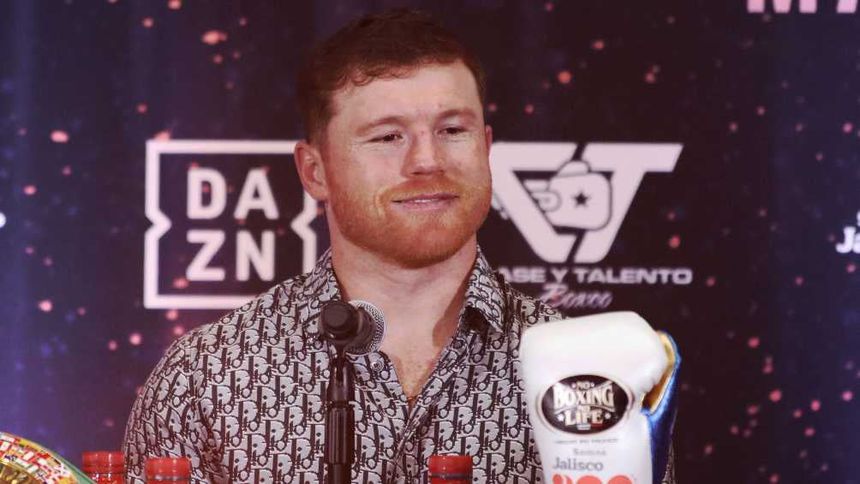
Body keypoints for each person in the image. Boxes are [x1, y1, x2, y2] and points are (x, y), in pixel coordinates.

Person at [123, 9, 676, 483]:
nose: (427, 160)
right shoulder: (208, 375)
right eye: (388, 137)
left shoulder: (590, 376)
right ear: (314, 171)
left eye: (453, 130)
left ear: (486, 148)